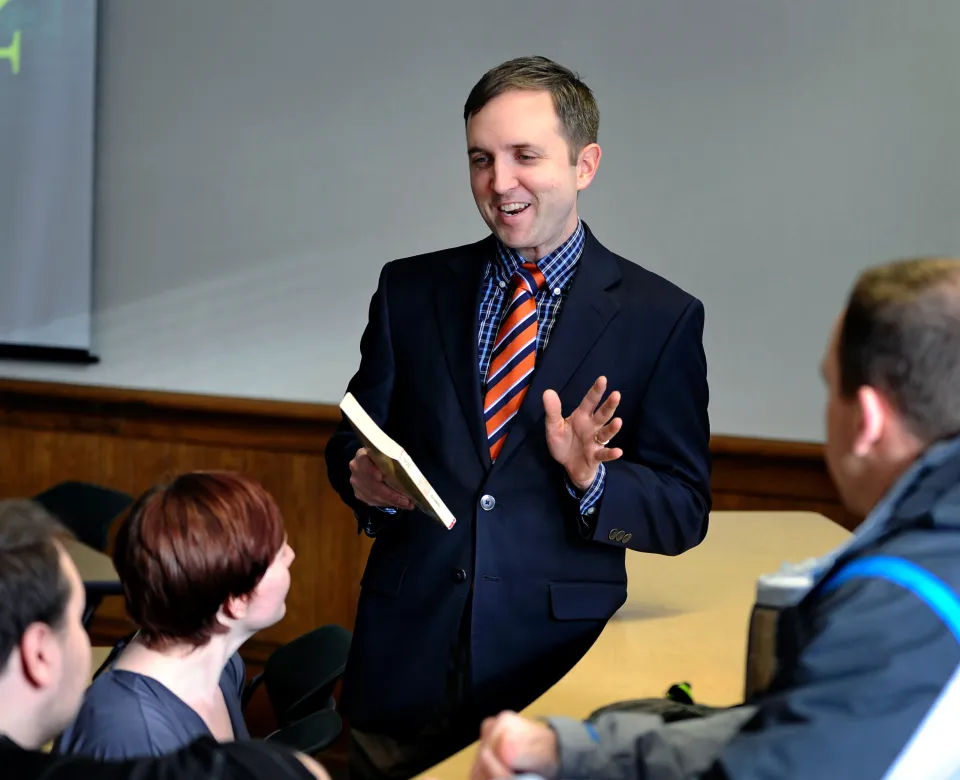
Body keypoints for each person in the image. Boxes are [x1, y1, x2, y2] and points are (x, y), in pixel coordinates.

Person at [325, 55, 711, 779]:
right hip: (405, 668)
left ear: (585, 164)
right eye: (481, 159)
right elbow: (357, 432)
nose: (499, 183)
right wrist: (360, 480)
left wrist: (593, 484)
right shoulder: (409, 289)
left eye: (524, 156)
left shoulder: (661, 318)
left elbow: (684, 512)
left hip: (555, 680)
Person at [471, 256, 960, 780]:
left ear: (866, 421)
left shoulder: (899, 606)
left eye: (828, 386)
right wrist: (572, 750)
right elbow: (789, 728)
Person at [0, 497, 327, 780]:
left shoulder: (226, 668)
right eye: (77, 617)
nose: (290, 556)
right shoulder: (125, 733)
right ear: (39, 653)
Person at [57, 471, 296, 759]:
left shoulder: (222, 664)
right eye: (279, 553)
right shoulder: (131, 737)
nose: (291, 556)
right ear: (235, 600)